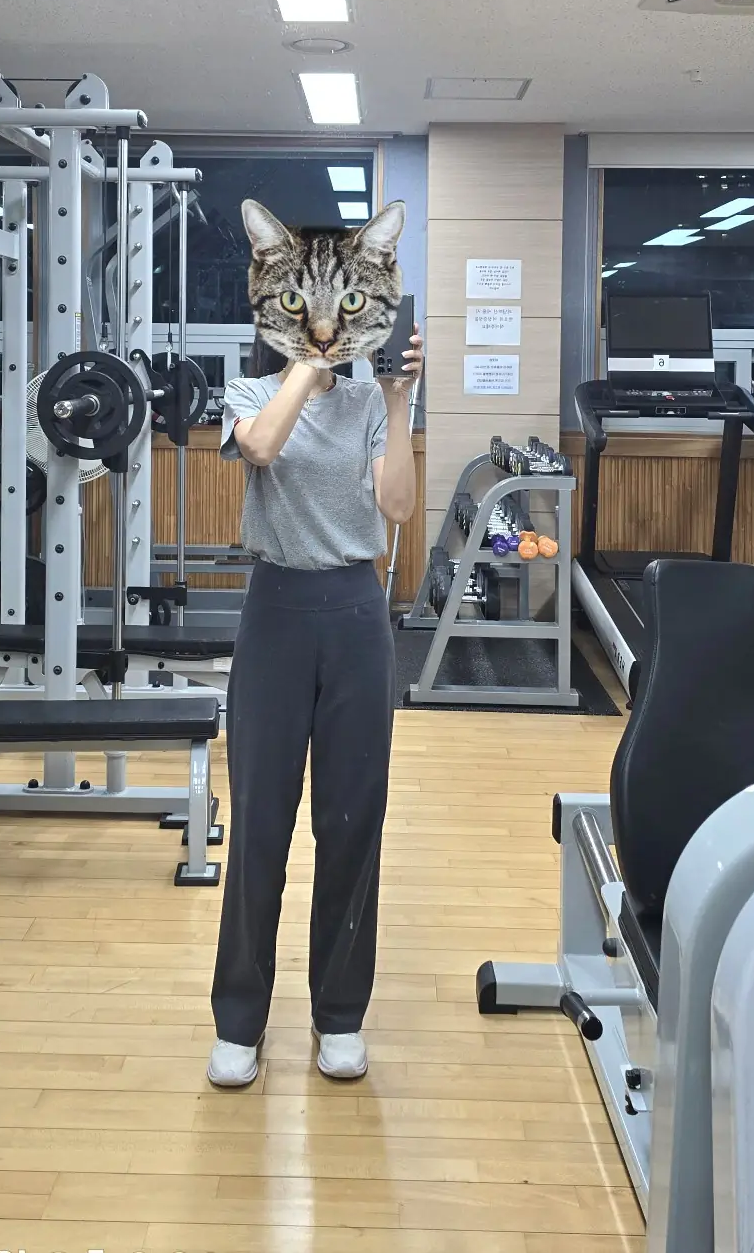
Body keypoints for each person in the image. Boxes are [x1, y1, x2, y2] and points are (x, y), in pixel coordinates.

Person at [207, 206, 423, 1088]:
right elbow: (261, 449)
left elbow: (397, 508)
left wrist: (399, 402)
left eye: (345, 307)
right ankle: (238, 1022)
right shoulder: (248, 394)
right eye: (302, 303)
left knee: (351, 822)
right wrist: (313, 350)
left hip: (356, 615)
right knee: (260, 821)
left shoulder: (372, 402)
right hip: (276, 614)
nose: (327, 324)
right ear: (272, 299)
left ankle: (339, 1016)